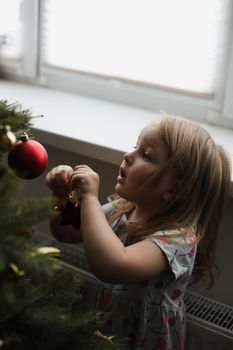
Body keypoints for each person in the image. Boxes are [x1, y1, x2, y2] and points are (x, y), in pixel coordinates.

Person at [45, 115, 231, 349]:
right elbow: (68, 233)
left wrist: (90, 198)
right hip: (108, 330)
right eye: (136, 146)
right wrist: (62, 196)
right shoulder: (122, 208)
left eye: (146, 155)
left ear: (174, 188)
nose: (128, 155)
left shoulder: (176, 240)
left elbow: (112, 266)